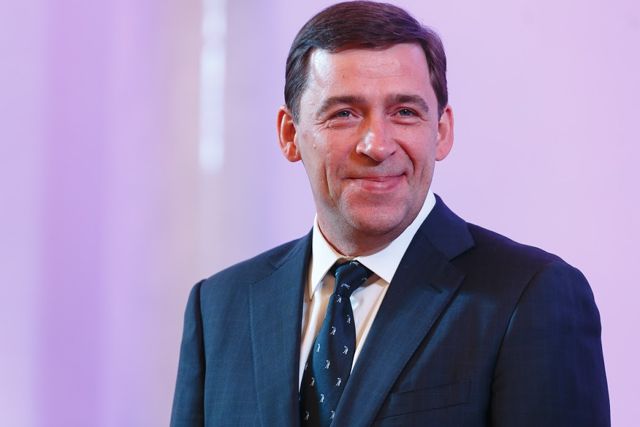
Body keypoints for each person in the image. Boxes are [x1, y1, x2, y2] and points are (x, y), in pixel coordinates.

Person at [170, 1, 609, 426]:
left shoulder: (531, 296)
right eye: (344, 113)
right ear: (290, 134)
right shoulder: (219, 306)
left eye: (404, 112)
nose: (377, 146)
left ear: (441, 131)